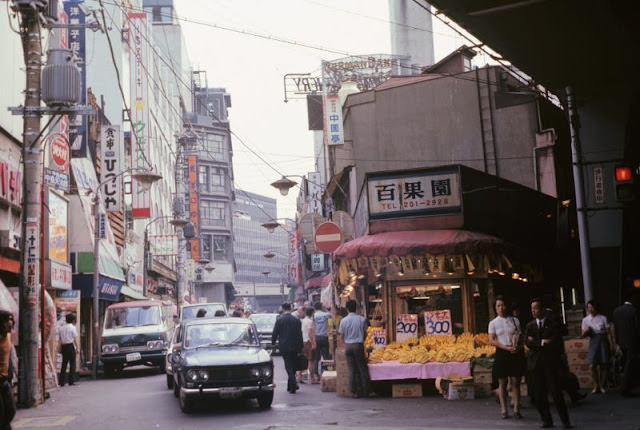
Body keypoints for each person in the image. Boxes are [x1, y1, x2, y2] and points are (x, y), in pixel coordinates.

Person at [525, 298, 572, 429]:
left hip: (550, 363)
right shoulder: (530, 325)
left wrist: (536, 341)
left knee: (555, 392)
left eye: (536, 308)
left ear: (542, 309)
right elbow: (528, 342)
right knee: (539, 394)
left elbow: (553, 341)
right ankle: (546, 420)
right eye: (532, 309)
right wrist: (540, 342)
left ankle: (565, 421)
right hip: (535, 364)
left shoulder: (552, 324)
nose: (533, 311)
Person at [488, 296, 522, 419]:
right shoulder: (493, 323)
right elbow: (491, 340)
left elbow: (518, 334)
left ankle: (517, 408)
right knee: (502, 383)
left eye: (503, 305)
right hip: (502, 353)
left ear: (506, 306)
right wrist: (505, 347)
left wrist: (515, 344)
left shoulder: (514, 320)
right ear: (495, 308)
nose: (501, 308)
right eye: (498, 306)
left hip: (514, 352)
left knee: (515, 382)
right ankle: (504, 409)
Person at [338, 299, 371, 398]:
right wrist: (362, 340)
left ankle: (354, 392)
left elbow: (341, 336)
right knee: (362, 368)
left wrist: (345, 344)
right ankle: (366, 391)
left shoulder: (343, 321)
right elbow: (365, 333)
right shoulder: (362, 319)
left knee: (351, 369)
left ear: (347, 309)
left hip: (348, 346)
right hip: (358, 345)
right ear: (356, 308)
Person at [581, 300, 613, 394]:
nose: (590, 309)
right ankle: (596, 385)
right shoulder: (585, 320)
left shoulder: (603, 318)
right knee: (592, 365)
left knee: (603, 364)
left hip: (603, 341)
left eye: (592, 307)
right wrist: (587, 330)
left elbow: (609, 333)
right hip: (593, 341)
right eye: (589, 307)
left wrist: (612, 344)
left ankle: (602, 386)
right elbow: (582, 334)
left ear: (596, 307)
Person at [272, 302, 303, 393]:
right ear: (291, 308)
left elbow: (275, 333)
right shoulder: (296, 320)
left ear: (282, 308)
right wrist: (300, 346)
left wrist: (273, 343)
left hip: (284, 346)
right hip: (295, 345)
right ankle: (291, 386)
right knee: (293, 365)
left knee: (288, 365)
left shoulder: (279, 320)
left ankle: (293, 383)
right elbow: (299, 334)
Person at [612, 294, 640, 397]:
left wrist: (617, 342)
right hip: (632, 342)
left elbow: (615, 328)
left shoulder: (616, 311)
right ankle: (624, 388)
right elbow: (637, 327)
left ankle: (625, 386)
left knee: (625, 364)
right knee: (629, 364)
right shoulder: (633, 311)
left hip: (622, 342)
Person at [0, 310, 15, 430]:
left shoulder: (9, 337)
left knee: (10, 411)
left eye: (10, 320)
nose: (9, 323)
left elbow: (11, 357)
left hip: (5, 381)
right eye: (6, 321)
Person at [58, 313, 79, 387]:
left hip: (64, 347)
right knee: (72, 364)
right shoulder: (73, 328)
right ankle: (71, 381)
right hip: (70, 346)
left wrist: (59, 348)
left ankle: (61, 381)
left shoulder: (61, 328)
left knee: (64, 364)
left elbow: (60, 340)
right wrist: (77, 348)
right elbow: (75, 339)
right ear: (73, 320)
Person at [313, 302, 331, 374]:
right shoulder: (326, 314)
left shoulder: (313, 315)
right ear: (321, 307)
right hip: (324, 337)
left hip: (316, 337)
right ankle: (325, 371)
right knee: (326, 356)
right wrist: (325, 309)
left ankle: (316, 373)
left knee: (316, 358)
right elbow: (331, 315)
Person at [301, 307, 318, 384]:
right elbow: (310, 333)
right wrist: (313, 343)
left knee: (304, 360)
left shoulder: (302, 321)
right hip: (309, 342)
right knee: (311, 361)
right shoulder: (310, 321)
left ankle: (299, 376)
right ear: (312, 313)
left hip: (303, 341)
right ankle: (312, 379)